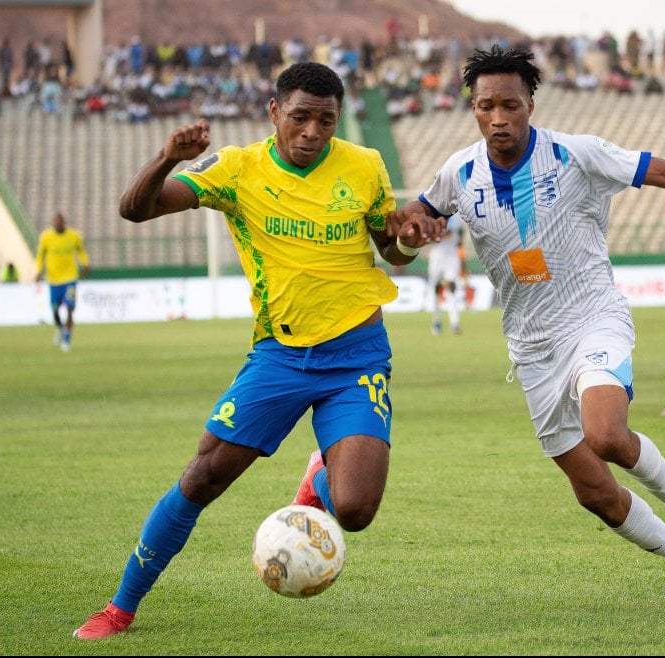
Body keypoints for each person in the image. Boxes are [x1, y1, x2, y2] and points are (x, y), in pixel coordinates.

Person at [389, 45, 665, 609]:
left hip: (592, 318)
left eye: (510, 104)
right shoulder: (457, 174)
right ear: (474, 108)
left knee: (605, 433)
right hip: (530, 348)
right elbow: (408, 238)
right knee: (595, 494)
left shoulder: (576, 155)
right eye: (486, 106)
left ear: (531, 102)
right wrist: (407, 238)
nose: (499, 117)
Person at [73, 62, 420, 640]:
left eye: (326, 121)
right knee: (204, 477)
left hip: (357, 355)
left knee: (355, 510)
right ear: (274, 112)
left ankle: (321, 478)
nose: (312, 131)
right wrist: (167, 158)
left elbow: (392, 249)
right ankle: (120, 607)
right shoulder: (237, 168)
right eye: (301, 117)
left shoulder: (365, 166)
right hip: (280, 356)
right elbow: (135, 208)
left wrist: (406, 241)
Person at [34, 211, 89, 352]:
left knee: (70, 309)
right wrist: (38, 270)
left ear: (64, 222)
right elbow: (40, 256)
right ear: (53, 223)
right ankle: (60, 329)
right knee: (55, 310)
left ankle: (66, 341)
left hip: (70, 278)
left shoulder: (74, 236)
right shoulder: (45, 237)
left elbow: (81, 251)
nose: (58, 224)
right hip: (53, 280)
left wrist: (85, 263)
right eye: (56, 221)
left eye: (61, 221)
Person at [426, 214, 466, 336]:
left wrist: (463, 261)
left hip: (452, 255)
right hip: (437, 255)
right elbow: (432, 236)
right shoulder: (433, 213)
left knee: (452, 287)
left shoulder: (456, 218)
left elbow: (458, 236)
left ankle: (454, 323)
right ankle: (436, 321)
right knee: (436, 289)